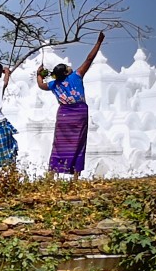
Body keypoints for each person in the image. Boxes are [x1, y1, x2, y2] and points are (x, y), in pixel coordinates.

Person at [37, 31, 106, 177]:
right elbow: (89, 59)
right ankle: (75, 177)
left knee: (59, 144)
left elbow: (40, 85)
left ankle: (51, 174)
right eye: (68, 68)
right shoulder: (76, 76)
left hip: (64, 115)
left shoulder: (53, 84)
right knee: (79, 144)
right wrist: (99, 42)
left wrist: (39, 74)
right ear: (67, 72)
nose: (70, 68)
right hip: (79, 113)